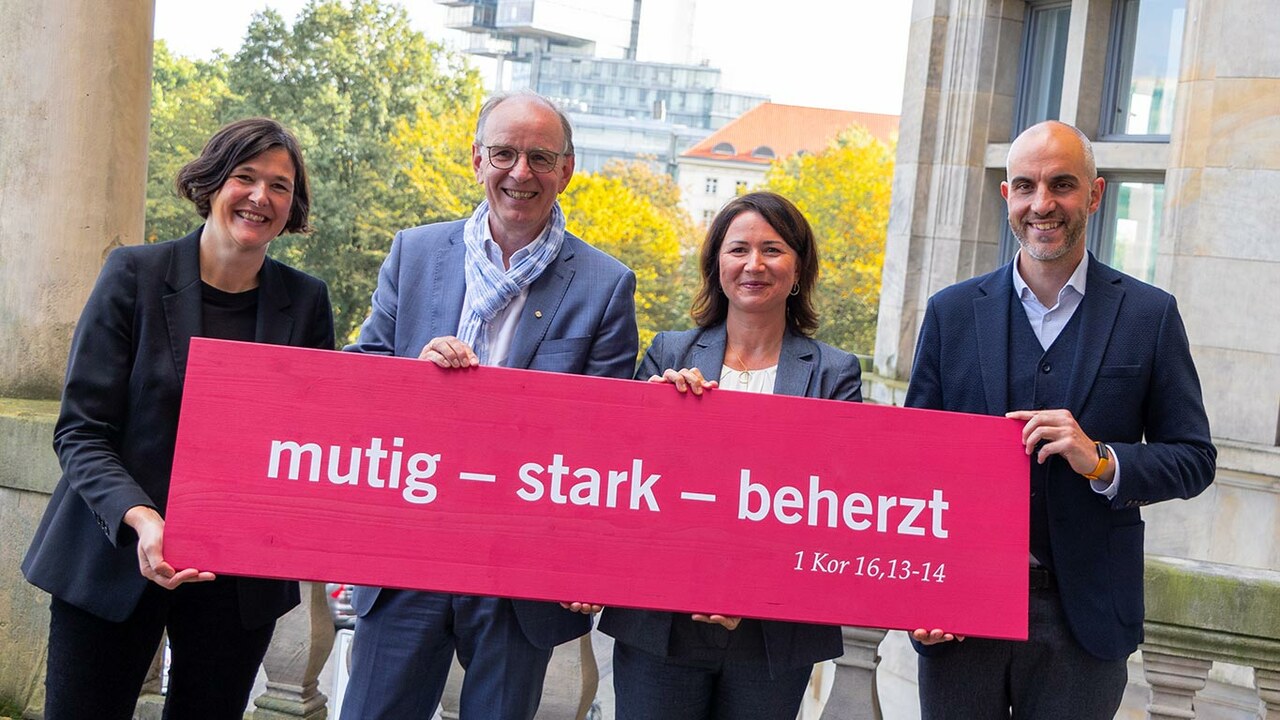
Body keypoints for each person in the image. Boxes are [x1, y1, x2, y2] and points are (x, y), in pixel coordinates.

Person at [22, 117, 335, 719]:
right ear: (213, 183)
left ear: (292, 205)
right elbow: (82, 430)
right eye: (245, 177)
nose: (260, 197)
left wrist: (424, 371)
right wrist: (143, 521)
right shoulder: (133, 275)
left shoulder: (307, 301)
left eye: (280, 185)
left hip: (239, 578)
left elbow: (318, 435)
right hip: (112, 553)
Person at [339, 90, 639, 720]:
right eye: (504, 153)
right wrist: (414, 376)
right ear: (477, 159)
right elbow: (362, 377)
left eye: (539, 157)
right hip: (407, 554)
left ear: (566, 170)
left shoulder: (606, 284)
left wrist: (589, 562)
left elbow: (608, 438)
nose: (519, 172)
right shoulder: (414, 253)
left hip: (521, 571)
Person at [905, 120, 1216, 719]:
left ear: (1095, 195)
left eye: (1062, 185)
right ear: (1007, 197)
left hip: (1087, 621)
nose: (1042, 204)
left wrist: (1101, 458)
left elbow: (1195, 459)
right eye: (1025, 186)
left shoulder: (1149, 316)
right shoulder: (950, 313)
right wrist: (923, 593)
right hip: (961, 612)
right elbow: (915, 467)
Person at [595, 191, 862, 720]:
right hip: (660, 623)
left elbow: (836, 506)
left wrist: (752, 591)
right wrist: (655, 413)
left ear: (799, 266)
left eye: (773, 250)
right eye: (739, 249)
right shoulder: (668, 355)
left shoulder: (835, 373)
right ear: (717, 263)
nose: (754, 265)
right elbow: (622, 480)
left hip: (772, 636)